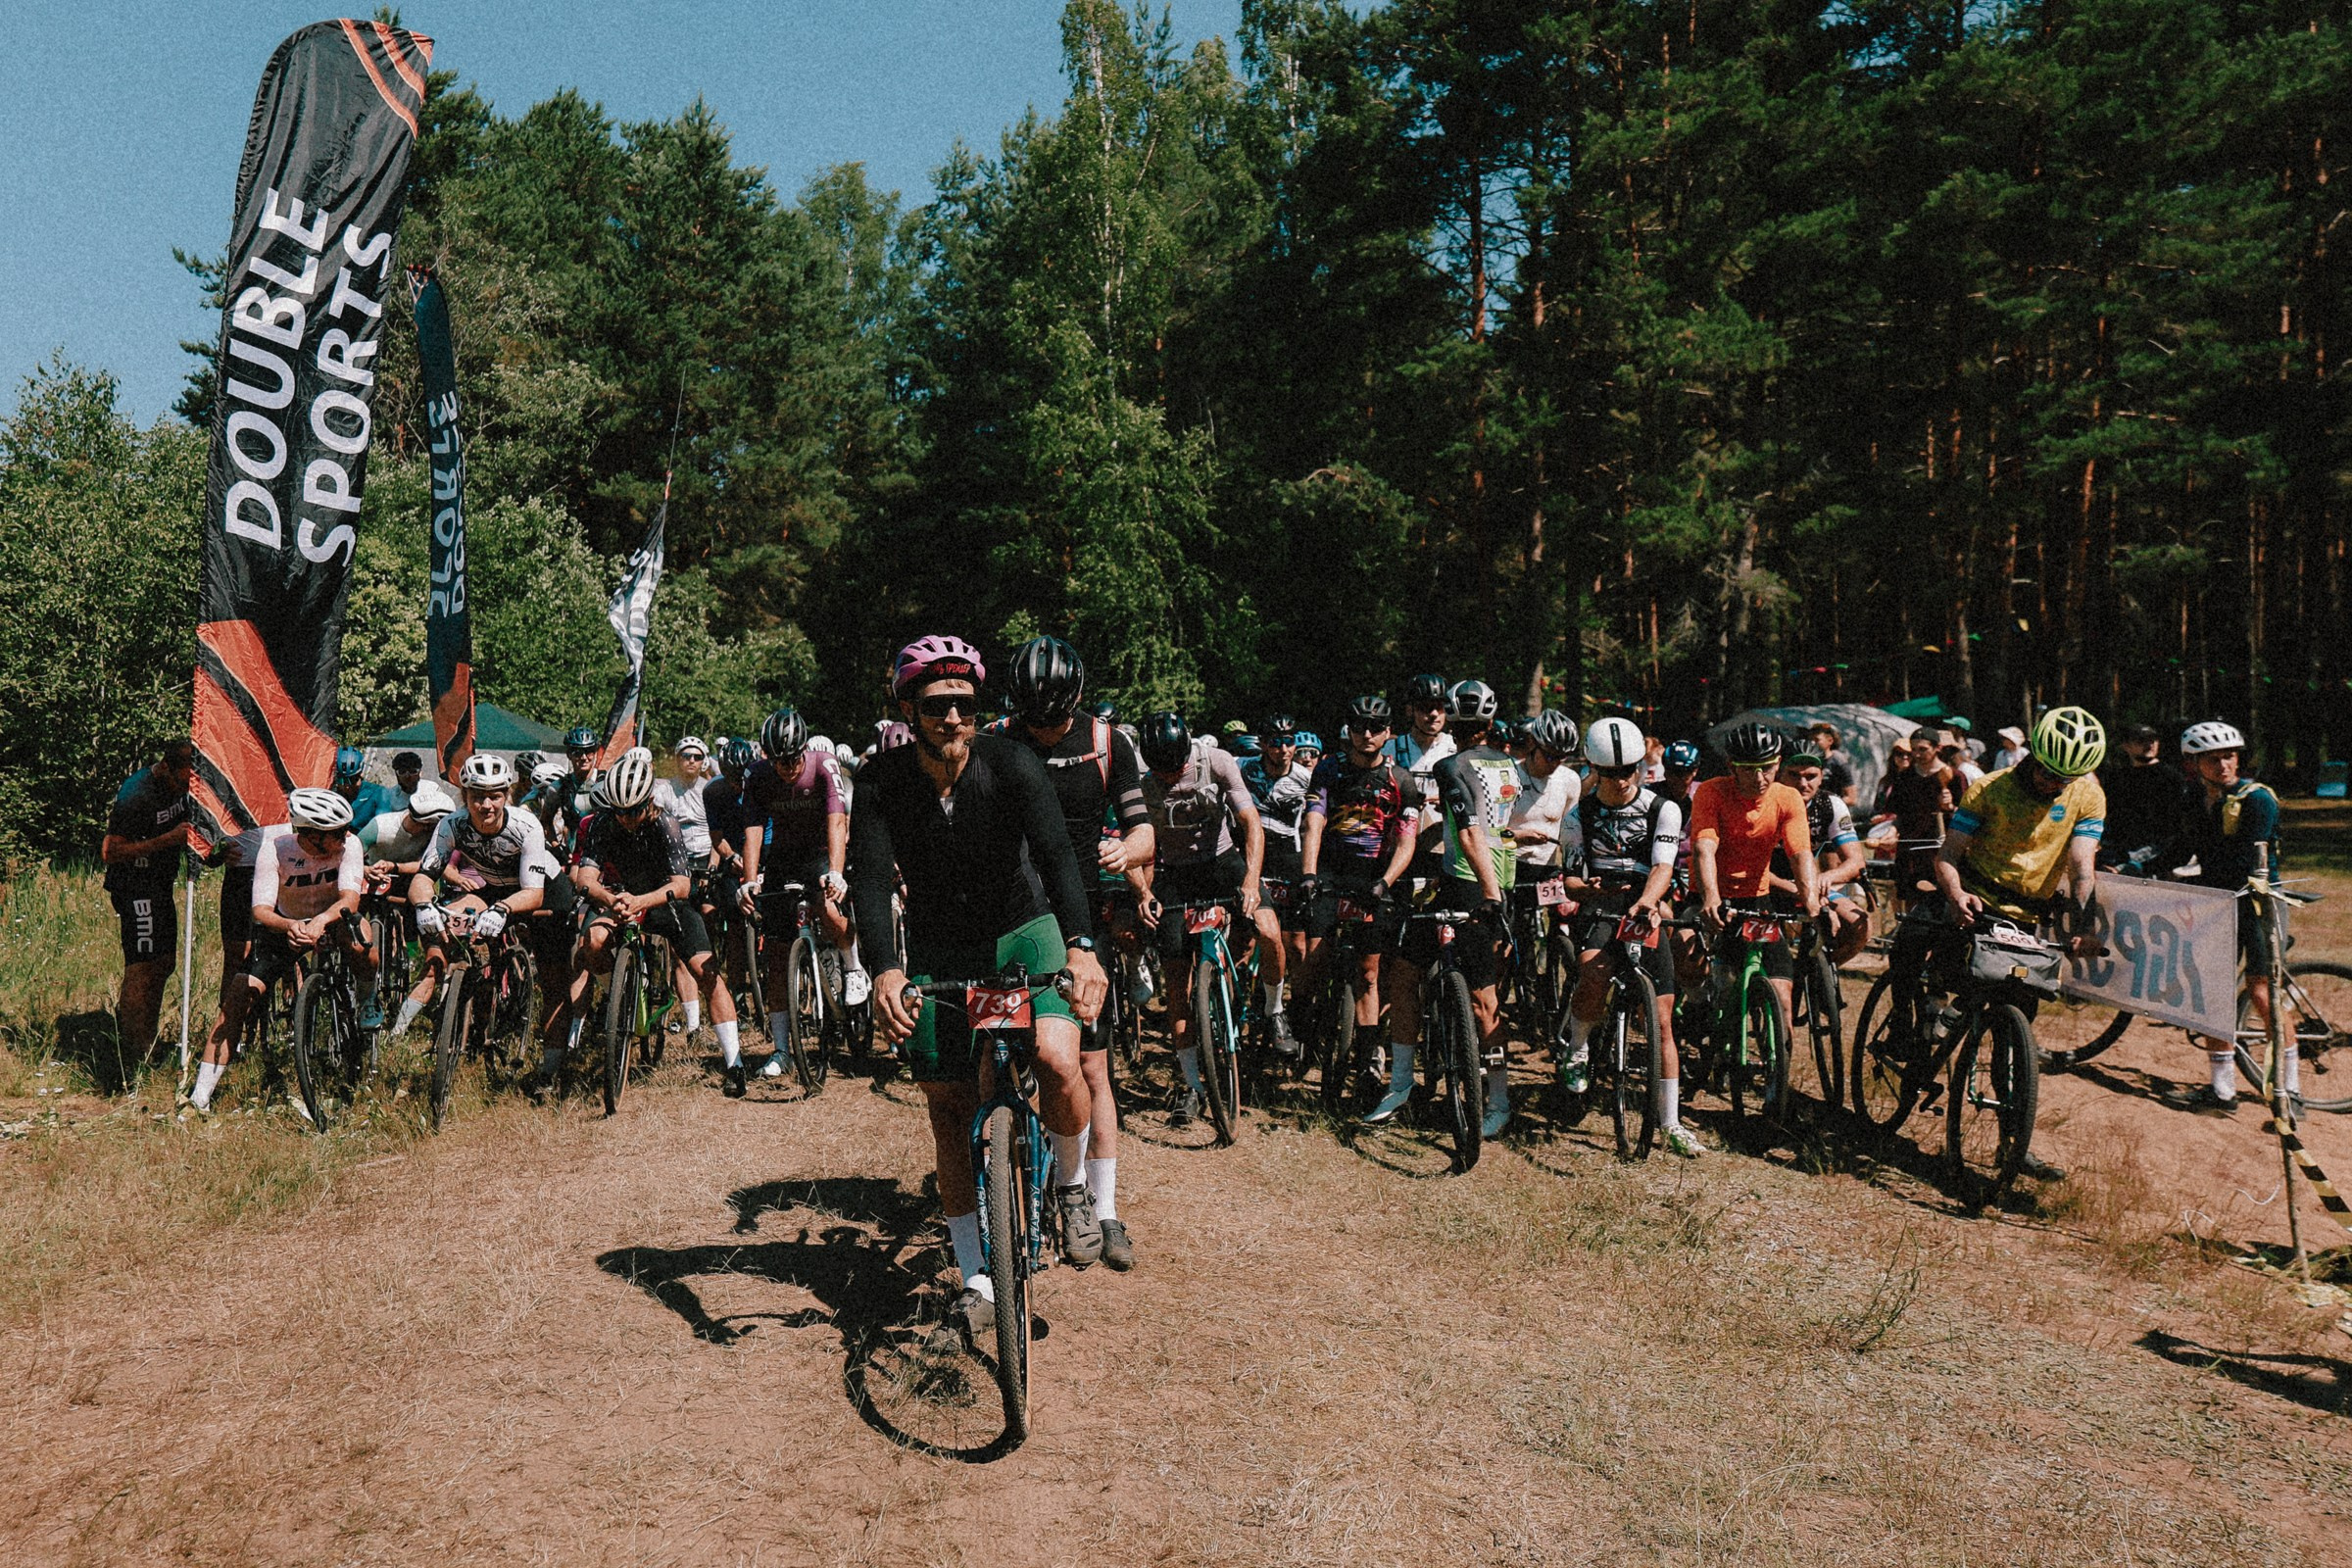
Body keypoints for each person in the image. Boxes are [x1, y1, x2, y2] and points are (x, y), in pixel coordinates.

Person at [854, 635, 1108, 1348]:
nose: (954, 716)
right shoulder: (880, 780)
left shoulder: (1013, 763)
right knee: (947, 1108)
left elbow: (1058, 857)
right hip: (940, 948)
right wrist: (884, 967)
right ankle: (975, 1280)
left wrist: (1083, 948)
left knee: (1059, 1060)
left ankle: (1070, 1186)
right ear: (909, 709)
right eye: (937, 704)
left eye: (965, 703)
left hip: (1023, 930)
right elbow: (871, 880)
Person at [1001, 635, 1153, 1268]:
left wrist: (1129, 851)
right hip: (1009, 915)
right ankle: (1016, 1201)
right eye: (1034, 718)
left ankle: (1103, 1207)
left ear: (1078, 700)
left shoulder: (1107, 742)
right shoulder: (999, 739)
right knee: (1006, 1059)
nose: (1045, 730)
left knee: (1092, 1068)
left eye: (1055, 718)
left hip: (1081, 919)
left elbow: (1144, 829)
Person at [1555, 717, 1699, 1156]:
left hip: (1644, 906)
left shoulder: (1663, 808)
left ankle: (1671, 1122)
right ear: (1595, 769)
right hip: (1601, 903)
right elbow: (1570, 879)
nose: (1622, 780)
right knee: (1592, 972)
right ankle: (1577, 1046)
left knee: (1661, 1022)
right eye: (1611, 772)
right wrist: (1586, 890)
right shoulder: (1579, 815)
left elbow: (1662, 866)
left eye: (1630, 770)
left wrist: (1650, 902)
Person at [1384, 679, 1519, 1134]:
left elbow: (1467, 832)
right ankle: (1497, 1100)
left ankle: (1401, 1081)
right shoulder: (1508, 764)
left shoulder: (1450, 765)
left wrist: (1486, 893)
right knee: (1487, 997)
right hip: (1505, 875)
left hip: (1468, 882)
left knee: (1409, 974)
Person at [190, 789, 376, 1113]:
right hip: (285, 925)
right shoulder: (275, 850)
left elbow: (350, 899)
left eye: (346, 828)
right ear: (311, 835)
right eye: (336, 833)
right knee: (237, 997)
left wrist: (319, 921)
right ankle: (198, 1097)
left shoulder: (351, 845)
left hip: (332, 917)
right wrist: (291, 927)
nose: (345, 837)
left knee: (363, 944)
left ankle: (367, 999)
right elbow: (260, 911)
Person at [1135, 710, 1278, 1126]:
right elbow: (1137, 843)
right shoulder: (1143, 783)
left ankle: (1274, 1009)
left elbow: (1251, 823)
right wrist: (1143, 892)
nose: (1171, 776)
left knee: (1268, 929)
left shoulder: (1216, 761)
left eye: (1176, 766)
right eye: (1162, 770)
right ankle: (1193, 1085)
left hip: (1223, 860)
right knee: (1177, 984)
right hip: (1175, 875)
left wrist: (1251, 881)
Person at [570, 748, 745, 1089]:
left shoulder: (665, 823)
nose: (626, 819)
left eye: (634, 810)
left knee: (706, 972)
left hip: (664, 901)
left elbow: (681, 885)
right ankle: (616, 992)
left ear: (647, 803)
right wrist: (610, 898)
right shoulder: (604, 823)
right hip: (622, 899)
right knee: (590, 944)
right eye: (619, 811)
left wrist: (641, 901)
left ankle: (734, 1062)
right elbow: (584, 879)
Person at [1297, 697, 1420, 1102]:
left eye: (1375, 727)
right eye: (1358, 726)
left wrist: (1386, 881)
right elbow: (1313, 823)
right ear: (1347, 729)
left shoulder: (1401, 780)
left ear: (1388, 733)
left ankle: (1368, 1062)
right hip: (1331, 872)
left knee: (1369, 974)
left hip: (1376, 880)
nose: (1366, 734)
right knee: (1315, 958)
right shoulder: (1329, 769)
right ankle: (1301, 1022)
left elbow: (1406, 839)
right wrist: (1310, 874)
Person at [739, 707, 865, 1079]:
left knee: (828, 908)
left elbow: (837, 820)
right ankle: (781, 1050)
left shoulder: (823, 765)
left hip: (821, 853)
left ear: (803, 750)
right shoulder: (757, 776)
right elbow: (752, 830)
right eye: (778, 760)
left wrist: (837, 873)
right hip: (783, 858)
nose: (787, 766)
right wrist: (749, 880)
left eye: (793, 758)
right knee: (777, 956)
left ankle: (854, 967)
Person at [2169, 721, 2285, 1113]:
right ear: (2194, 763)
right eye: (2213, 758)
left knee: (2261, 994)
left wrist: (2195, 876)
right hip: (2220, 905)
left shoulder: (2257, 799)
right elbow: (2181, 845)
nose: (2223, 765)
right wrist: (2137, 865)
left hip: (2256, 904)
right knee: (2212, 996)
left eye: (2229, 756)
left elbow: (2244, 863)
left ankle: (2291, 1093)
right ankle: (2222, 1092)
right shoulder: (2193, 798)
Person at [399, 754, 550, 1035]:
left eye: (494, 796)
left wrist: (503, 909)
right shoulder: (452, 825)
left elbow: (534, 893)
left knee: (555, 975)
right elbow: (423, 876)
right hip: (493, 887)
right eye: (477, 797)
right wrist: (423, 905)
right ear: (464, 796)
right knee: (457, 925)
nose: (486, 805)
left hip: (542, 890)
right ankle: (473, 1024)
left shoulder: (527, 826)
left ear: (506, 795)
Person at [1690, 721, 1820, 1049]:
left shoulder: (1787, 797)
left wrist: (1812, 900)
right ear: (1732, 766)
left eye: (1768, 768)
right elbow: (1705, 847)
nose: (1759, 778)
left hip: (1756, 899)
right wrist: (1710, 897)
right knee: (1696, 959)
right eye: (1749, 770)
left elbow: (1800, 853)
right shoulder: (1711, 791)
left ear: (1778, 763)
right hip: (1710, 894)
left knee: (1783, 997)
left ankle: (1776, 1077)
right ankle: (1697, 1007)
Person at [99, 738, 196, 1068]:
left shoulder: (185, 786)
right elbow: (110, 852)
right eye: (181, 782)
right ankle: (133, 1054)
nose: (184, 789)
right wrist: (167, 841)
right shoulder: (135, 795)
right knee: (142, 965)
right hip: (134, 886)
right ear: (165, 767)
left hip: (160, 885)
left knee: (164, 963)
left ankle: (148, 1037)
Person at [1238, 712, 1311, 1054]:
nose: (1283, 749)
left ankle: (1292, 1010)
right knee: (1247, 940)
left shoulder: (1304, 777)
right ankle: (1238, 1009)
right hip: (1252, 854)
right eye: (1275, 742)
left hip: (1288, 858)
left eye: (1288, 742)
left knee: (1295, 945)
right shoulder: (1245, 767)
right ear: (1263, 743)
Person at [359, 782, 456, 1028]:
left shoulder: (434, 834)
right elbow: (350, 854)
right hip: (371, 873)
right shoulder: (381, 826)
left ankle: (409, 952)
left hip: (406, 875)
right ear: (424, 823)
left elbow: (429, 864)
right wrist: (366, 869)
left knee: (416, 913)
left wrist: (396, 867)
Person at [1779, 746, 1869, 964]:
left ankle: (1819, 974)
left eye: (1811, 776)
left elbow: (1856, 861)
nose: (1803, 784)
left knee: (1860, 925)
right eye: (1794, 775)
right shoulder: (1768, 802)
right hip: (1768, 885)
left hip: (1809, 885)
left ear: (1821, 777)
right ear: (1780, 773)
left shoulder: (1831, 804)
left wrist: (1826, 878)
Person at [1386, 673, 1455, 890]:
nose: (1434, 714)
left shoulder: (1456, 749)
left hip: (1443, 847)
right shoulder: (1391, 749)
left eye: (1440, 707)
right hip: (1399, 846)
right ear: (1410, 710)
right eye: (1426, 708)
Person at [2098, 721, 2193, 873]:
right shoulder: (2117, 778)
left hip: (2157, 851)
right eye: (2141, 740)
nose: (2149, 744)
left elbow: (2178, 827)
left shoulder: (2172, 777)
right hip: (2118, 849)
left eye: (2153, 739)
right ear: (2126, 746)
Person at [1885, 729, 1954, 906]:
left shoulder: (1953, 776)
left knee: (1943, 899)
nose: (1916, 754)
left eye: (1923, 749)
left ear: (1937, 748)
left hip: (1941, 848)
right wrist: (1892, 832)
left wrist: (1951, 807)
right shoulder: (1905, 777)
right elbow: (1898, 813)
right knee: (1911, 899)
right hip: (1911, 847)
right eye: (1913, 750)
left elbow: (1966, 815)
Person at [351, 752, 419, 829]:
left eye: (413, 771)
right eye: (402, 772)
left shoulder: (431, 790)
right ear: (396, 774)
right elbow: (381, 824)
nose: (407, 776)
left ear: (420, 772)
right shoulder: (389, 796)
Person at [1809, 722, 1855, 805]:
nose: (1812, 743)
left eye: (1817, 740)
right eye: (1811, 740)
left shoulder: (1838, 761)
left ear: (1830, 741)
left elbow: (1851, 798)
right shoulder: (1809, 760)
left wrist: (1830, 804)